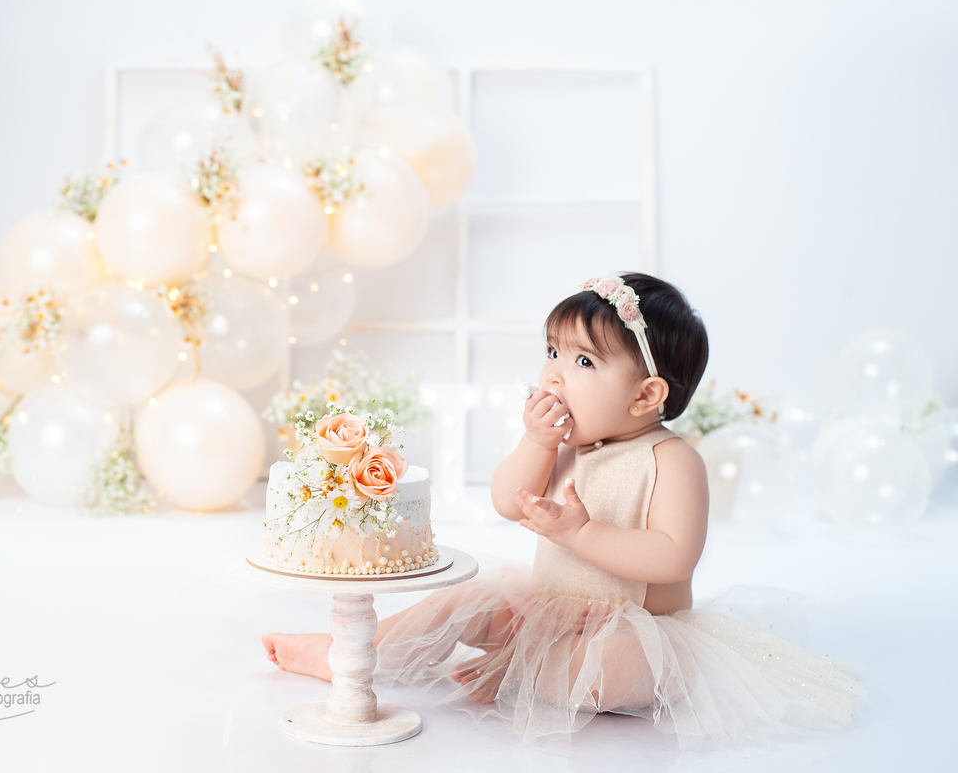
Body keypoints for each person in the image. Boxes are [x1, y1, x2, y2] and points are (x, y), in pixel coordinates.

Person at [262, 273, 861, 748]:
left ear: (646, 395)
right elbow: (507, 502)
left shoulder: (674, 461)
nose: (552, 372)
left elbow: (674, 556)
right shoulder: (567, 444)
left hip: (638, 630)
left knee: (613, 667)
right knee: (461, 599)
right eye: (552, 350)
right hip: (547, 607)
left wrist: (582, 533)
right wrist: (536, 445)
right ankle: (351, 653)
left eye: (583, 362)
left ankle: (518, 673)